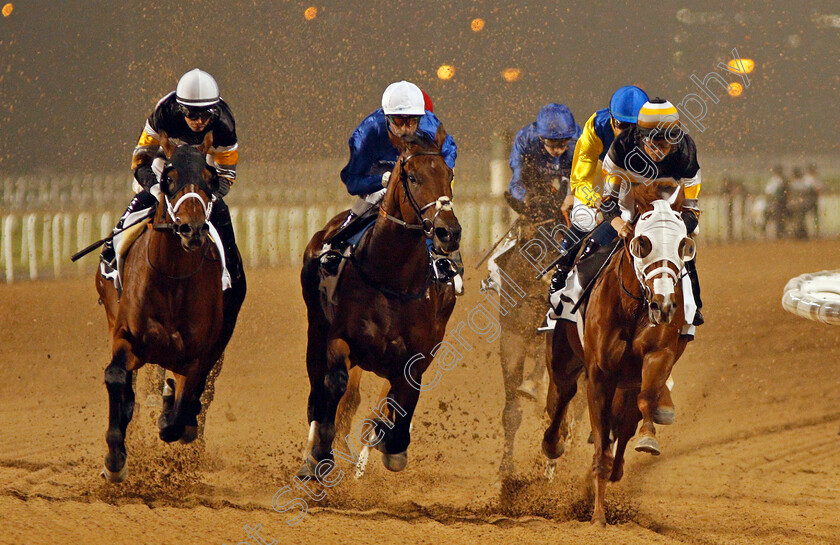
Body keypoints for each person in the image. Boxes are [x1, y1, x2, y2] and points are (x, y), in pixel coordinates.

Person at [100, 68, 244, 301]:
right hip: (165, 158)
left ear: (214, 112)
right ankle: (111, 254)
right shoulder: (164, 113)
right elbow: (140, 161)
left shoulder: (224, 125)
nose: (199, 122)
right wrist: (158, 191)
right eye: (192, 115)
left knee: (219, 210)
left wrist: (207, 198)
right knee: (143, 199)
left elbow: (226, 175)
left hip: (204, 161)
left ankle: (231, 271)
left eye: (206, 116)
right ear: (180, 109)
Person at [559, 97, 704, 327]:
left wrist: (673, 230)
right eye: (652, 144)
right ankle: (569, 296)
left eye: (664, 145)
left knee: (686, 254)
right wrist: (617, 223)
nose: (658, 151)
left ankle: (693, 306)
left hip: (669, 213)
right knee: (594, 244)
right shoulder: (622, 147)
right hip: (627, 207)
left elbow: (692, 210)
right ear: (640, 136)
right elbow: (609, 201)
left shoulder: (685, 150)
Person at [319, 81, 460, 287]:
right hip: (379, 172)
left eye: (411, 121)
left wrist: (441, 174)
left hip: (418, 172)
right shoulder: (366, 133)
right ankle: (337, 245)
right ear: (386, 118)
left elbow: (449, 149)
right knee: (376, 197)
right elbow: (352, 182)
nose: (405, 129)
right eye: (398, 121)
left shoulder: (430, 125)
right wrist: (380, 180)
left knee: (433, 207)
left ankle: (444, 258)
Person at [548, 85, 649, 294]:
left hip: (636, 181)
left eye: (635, 128)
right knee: (583, 218)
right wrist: (598, 201)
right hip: (601, 175)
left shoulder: (656, 133)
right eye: (622, 126)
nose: (627, 134)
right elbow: (579, 181)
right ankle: (560, 280)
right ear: (612, 120)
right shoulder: (596, 125)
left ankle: (690, 300)